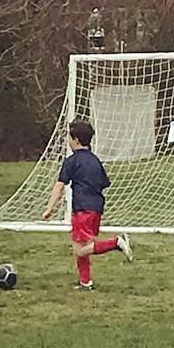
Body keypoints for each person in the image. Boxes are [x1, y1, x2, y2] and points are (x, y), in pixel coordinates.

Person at [42, 119, 132, 289]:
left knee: (80, 250)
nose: (68, 141)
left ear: (75, 140)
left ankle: (116, 242)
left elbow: (59, 186)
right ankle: (85, 282)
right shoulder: (95, 160)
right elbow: (104, 183)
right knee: (82, 246)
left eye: (69, 137)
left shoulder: (72, 161)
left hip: (83, 210)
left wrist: (49, 208)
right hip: (96, 209)